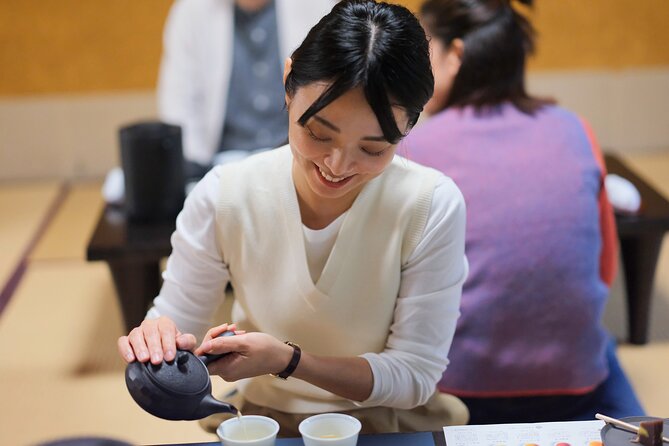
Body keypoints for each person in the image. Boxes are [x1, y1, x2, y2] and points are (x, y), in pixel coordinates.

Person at [117, 0, 469, 436]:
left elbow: (415, 377)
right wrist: (157, 338)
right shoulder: (225, 195)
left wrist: (290, 360)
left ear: (410, 124)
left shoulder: (429, 205)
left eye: (373, 149)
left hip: (388, 425)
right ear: (288, 82)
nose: (337, 165)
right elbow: (176, 319)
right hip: (265, 423)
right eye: (318, 133)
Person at [403, 0, 645, 424]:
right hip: (575, 386)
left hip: (459, 392)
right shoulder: (574, 127)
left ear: (455, 55)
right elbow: (605, 268)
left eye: (424, 51)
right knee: (605, 345)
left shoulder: (415, 148)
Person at [157, 0, 336, 180]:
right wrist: (197, 170)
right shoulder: (191, 11)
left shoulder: (317, 4)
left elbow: (334, 91)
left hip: (297, 163)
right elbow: (179, 105)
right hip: (221, 169)